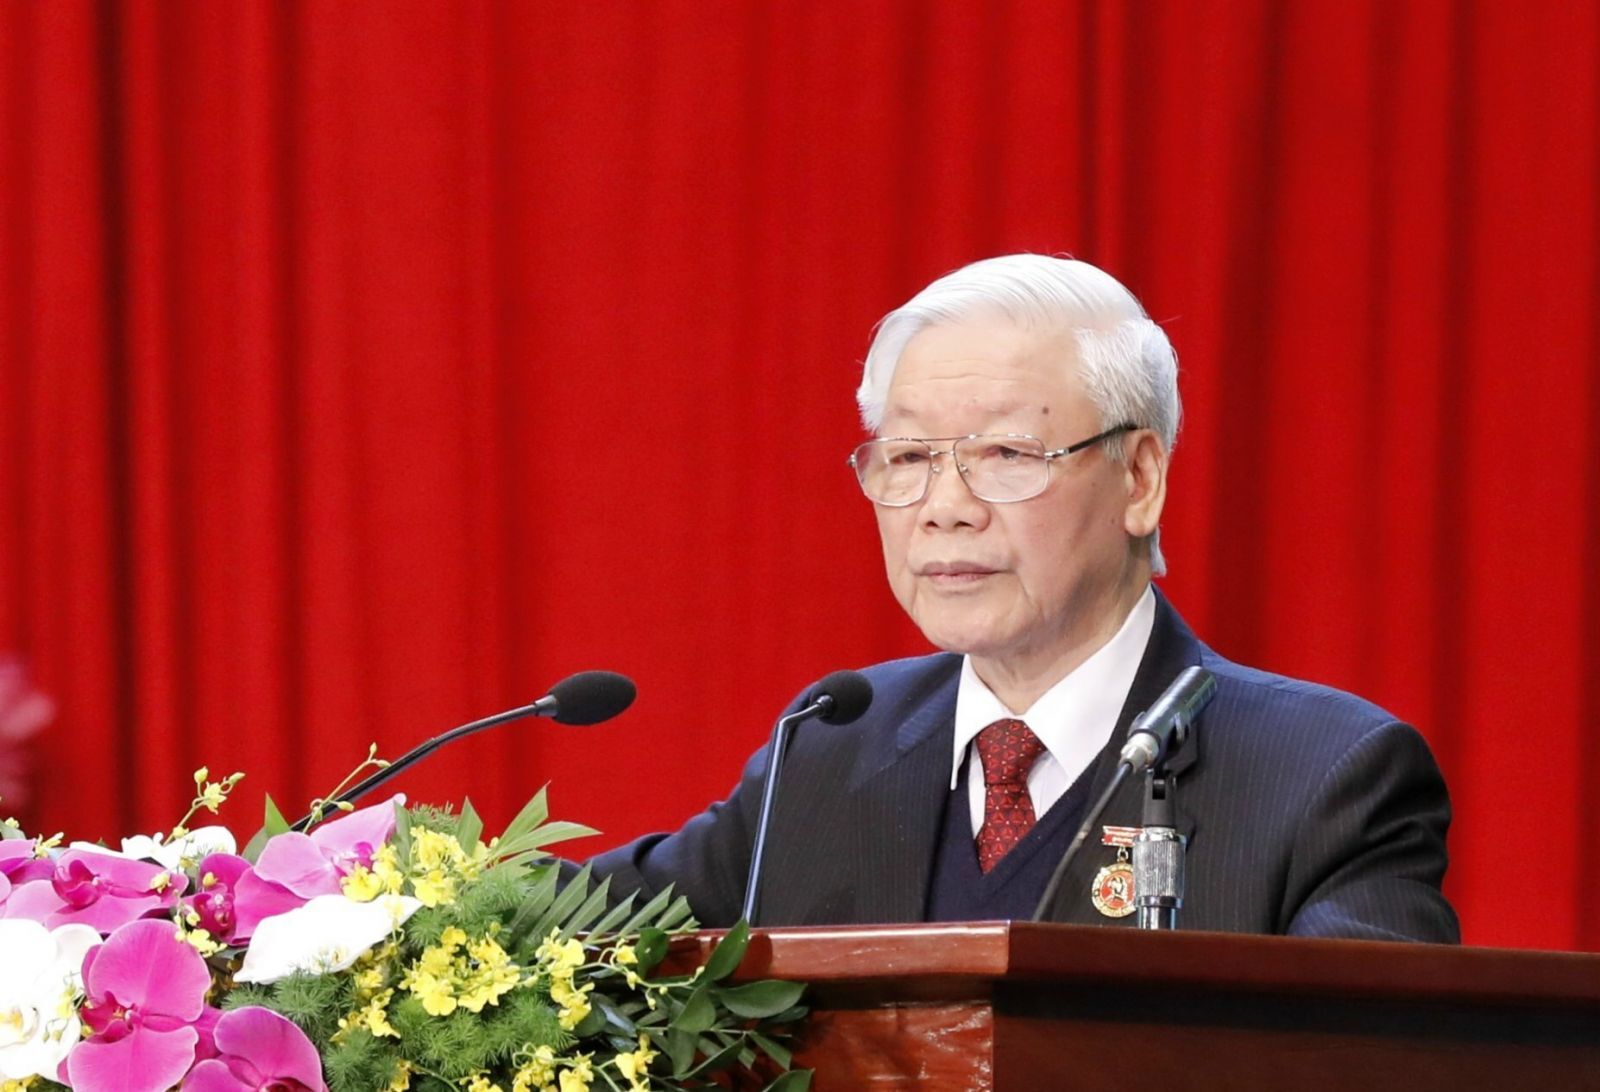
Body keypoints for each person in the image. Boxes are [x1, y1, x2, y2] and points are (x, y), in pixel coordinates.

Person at [590, 254, 1457, 942]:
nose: (944, 508)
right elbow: (586, 924)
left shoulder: (1324, 778)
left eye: (1005, 455)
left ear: (1140, 479)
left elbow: (1370, 1058)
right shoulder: (833, 747)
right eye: (909, 458)